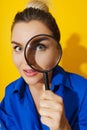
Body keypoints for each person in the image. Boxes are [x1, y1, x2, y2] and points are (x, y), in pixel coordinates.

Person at [0, 0, 87, 130]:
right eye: (18, 48)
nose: (26, 60)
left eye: (40, 47)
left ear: (57, 50)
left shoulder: (83, 91)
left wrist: (64, 128)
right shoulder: (10, 95)